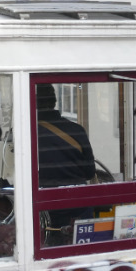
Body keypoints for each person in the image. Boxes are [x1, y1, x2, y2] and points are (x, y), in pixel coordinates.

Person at [36, 83, 95, 244]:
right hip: (79, 206)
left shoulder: (28, 133)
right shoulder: (76, 129)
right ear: (54, 101)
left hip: (45, 208)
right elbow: (90, 172)